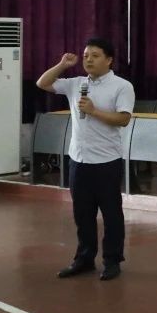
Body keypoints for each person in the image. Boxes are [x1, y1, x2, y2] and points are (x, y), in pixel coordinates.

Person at [36, 39, 135, 282]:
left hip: (107, 161)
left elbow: (123, 119)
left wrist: (94, 111)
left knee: (111, 214)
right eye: (86, 55)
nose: (88, 59)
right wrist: (62, 65)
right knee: (82, 214)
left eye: (95, 55)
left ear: (109, 60)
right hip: (79, 160)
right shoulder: (76, 84)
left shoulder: (122, 86)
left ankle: (112, 261)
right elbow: (42, 83)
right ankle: (84, 259)